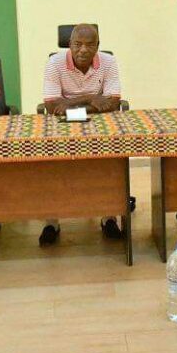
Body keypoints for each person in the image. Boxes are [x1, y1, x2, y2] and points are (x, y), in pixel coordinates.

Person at [39, 23, 124, 245]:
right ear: (69, 45)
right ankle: (51, 222)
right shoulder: (55, 63)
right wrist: (90, 98)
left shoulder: (109, 61)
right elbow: (51, 105)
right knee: (52, 164)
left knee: (110, 162)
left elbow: (113, 102)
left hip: (100, 124)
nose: (83, 50)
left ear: (98, 46)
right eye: (77, 44)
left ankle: (109, 218)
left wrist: (69, 104)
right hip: (61, 126)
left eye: (89, 45)